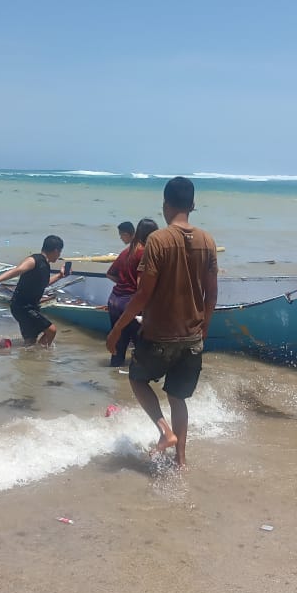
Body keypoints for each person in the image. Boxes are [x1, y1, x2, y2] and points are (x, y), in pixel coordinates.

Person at [106, 177, 218, 467]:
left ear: (165, 204)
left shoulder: (158, 240)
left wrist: (118, 329)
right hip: (192, 335)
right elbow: (212, 293)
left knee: (137, 379)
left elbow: (143, 294)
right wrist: (204, 327)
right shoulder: (208, 241)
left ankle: (165, 432)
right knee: (177, 397)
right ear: (192, 205)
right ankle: (180, 461)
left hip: (159, 335)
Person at [0, 235, 68, 347]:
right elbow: (18, 270)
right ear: (56, 250)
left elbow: (43, 285)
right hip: (22, 307)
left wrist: (60, 276)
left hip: (28, 307)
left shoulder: (45, 265)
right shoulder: (34, 260)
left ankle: (1, 344)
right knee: (51, 330)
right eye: (60, 252)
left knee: (30, 342)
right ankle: (41, 356)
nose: (59, 256)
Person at [106, 218, 159, 367]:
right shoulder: (144, 253)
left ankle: (115, 379)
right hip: (130, 303)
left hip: (114, 300)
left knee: (118, 346)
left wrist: (124, 283)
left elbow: (110, 274)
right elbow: (140, 284)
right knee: (142, 347)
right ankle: (140, 382)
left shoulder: (127, 251)